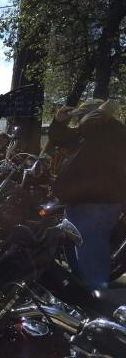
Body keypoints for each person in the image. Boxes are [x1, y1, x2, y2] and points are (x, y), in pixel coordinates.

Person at [49, 99, 126, 290]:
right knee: (77, 253)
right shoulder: (89, 134)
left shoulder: (107, 132)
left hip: (95, 203)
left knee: (90, 255)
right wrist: (59, 121)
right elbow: (60, 137)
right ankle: (84, 294)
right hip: (81, 202)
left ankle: (98, 302)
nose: (78, 121)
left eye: (81, 116)